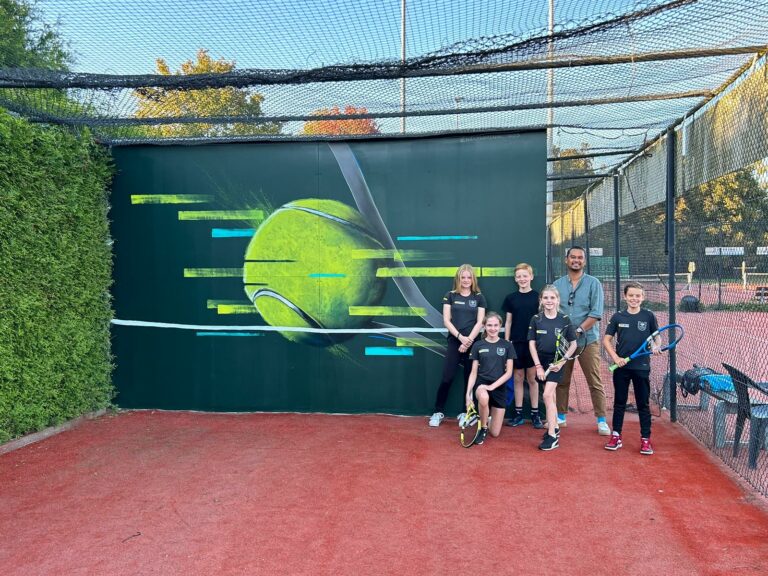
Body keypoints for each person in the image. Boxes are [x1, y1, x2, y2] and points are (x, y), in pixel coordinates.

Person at [553, 246, 609, 435]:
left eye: (580, 257)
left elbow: (596, 313)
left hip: (587, 341)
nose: (576, 260)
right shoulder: (557, 284)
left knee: (594, 381)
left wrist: (578, 330)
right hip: (564, 342)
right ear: (566, 260)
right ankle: (560, 417)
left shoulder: (594, 283)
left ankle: (601, 420)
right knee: (562, 380)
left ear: (584, 261)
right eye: (573, 257)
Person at [602, 282, 661, 455]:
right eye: (631, 295)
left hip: (641, 367)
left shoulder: (648, 316)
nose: (634, 298)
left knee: (643, 404)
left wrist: (656, 346)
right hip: (621, 367)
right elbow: (606, 340)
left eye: (638, 296)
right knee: (619, 402)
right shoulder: (618, 317)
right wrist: (616, 358)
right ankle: (616, 436)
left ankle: (645, 440)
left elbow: (657, 338)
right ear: (625, 297)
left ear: (643, 297)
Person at [429, 264, 486, 427]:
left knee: (469, 378)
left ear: (473, 279)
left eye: (469, 277)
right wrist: (461, 338)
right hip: (455, 341)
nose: (466, 280)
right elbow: (446, 321)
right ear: (458, 279)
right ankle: (438, 411)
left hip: (473, 343)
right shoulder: (450, 296)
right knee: (447, 377)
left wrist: (468, 341)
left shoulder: (479, 297)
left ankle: (464, 412)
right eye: (463, 277)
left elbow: (480, 322)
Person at [528, 285, 577, 451]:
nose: (549, 301)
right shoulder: (536, 319)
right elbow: (532, 344)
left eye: (552, 298)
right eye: (546, 298)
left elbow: (573, 344)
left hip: (557, 363)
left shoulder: (565, 319)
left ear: (558, 300)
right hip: (541, 362)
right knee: (551, 395)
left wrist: (562, 362)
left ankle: (552, 436)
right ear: (541, 300)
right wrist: (538, 367)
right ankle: (555, 426)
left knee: (547, 395)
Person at [502, 263, 543, 428]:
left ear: (531, 277)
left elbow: (542, 321)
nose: (522, 279)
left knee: (532, 379)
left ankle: (535, 414)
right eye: (519, 276)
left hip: (533, 345)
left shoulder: (538, 297)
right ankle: (518, 414)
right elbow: (508, 322)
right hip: (516, 343)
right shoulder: (510, 298)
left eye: (525, 276)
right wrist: (507, 343)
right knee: (518, 378)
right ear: (515, 279)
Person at [465, 312, 515, 444]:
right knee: (483, 397)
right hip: (482, 384)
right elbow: (473, 372)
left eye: (495, 325)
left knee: (495, 433)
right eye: (489, 325)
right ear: (484, 327)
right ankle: (482, 428)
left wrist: (492, 387)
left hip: (499, 387)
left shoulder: (507, 345)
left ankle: (486, 418)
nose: (493, 328)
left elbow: (509, 373)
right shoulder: (478, 345)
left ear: (500, 326)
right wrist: (468, 395)